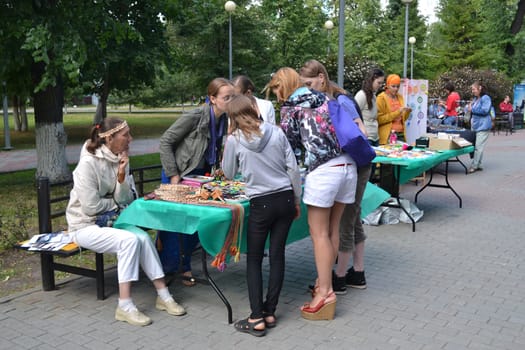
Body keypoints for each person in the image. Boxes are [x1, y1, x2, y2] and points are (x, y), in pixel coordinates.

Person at [66, 117, 186, 326]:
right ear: (110, 138)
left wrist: (121, 175)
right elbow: (90, 207)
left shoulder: (119, 158)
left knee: (142, 238)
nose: (131, 139)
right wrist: (115, 204)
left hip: (111, 222)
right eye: (125, 135)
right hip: (84, 226)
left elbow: (126, 199)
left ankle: (164, 296)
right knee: (129, 241)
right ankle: (125, 306)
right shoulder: (88, 164)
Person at [266, 67, 357, 321]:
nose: (276, 95)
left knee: (318, 234)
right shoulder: (325, 98)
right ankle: (323, 282)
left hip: (323, 171)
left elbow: (288, 148)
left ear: (283, 85)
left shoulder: (291, 107)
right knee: (332, 230)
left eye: (276, 89)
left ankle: (325, 293)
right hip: (347, 166)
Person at [222, 94, 301, 337]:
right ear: (254, 109)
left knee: (254, 259)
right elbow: (293, 168)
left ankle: (256, 316)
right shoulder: (277, 132)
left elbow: (228, 172)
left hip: (261, 202)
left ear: (233, 117)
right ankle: (270, 311)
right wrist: (296, 199)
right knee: (277, 255)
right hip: (285, 197)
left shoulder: (234, 139)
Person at [299, 59, 370, 294]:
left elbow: (361, 132)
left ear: (322, 77)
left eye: (310, 83)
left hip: (354, 164)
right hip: (353, 163)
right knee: (353, 217)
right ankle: (357, 272)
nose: (308, 89)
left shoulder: (340, 99)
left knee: (345, 222)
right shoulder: (331, 98)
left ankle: (338, 277)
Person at [157, 77, 235, 284]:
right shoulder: (195, 116)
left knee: (194, 225)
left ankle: (184, 267)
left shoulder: (223, 119)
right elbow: (165, 141)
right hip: (179, 175)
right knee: (175, 226)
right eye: (226, 97)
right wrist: (173, 174)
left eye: (233, 97)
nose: (230, 101)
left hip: (200, 177)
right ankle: (166, 271)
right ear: (212, 98)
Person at [376, 74, 411, 144]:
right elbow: (379, 119)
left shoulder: (400, 97)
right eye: (393, 86)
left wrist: (407, 112)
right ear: (387, 85)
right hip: (388, 136)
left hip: (401, 134)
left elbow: (403, 119)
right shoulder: (381, 98)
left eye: (398, 86)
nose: (396, 89)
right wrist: (398, 112)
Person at [467, 81, 492, 173]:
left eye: (473, 89)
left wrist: (472, 108)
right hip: (476, 125)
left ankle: (474, 166)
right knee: (478, 146)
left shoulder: (486, 98)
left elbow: (485, 110)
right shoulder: (476, 98)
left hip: (483, 126)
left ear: (480, 88)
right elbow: (470, 109)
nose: (472, 91)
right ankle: (479, 164)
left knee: (478, 146)